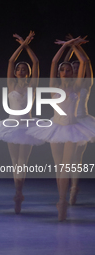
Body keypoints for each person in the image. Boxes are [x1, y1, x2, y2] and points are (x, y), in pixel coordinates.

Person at [27, 37, 95, 221]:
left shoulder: (78, 86)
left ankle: (63, 200)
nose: (65, 72)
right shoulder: (54, 87)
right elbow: (54, 62)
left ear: (74, 73)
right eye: (62, 70)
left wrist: (74, 46)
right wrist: (65, 46)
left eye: (69, 69)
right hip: (56, 128)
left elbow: (85, 62)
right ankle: (62, 198)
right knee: (59, 167)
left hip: (73, 128)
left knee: (66, 166)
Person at [0, 31, 41, 214]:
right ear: (16, 73)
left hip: (28, 125)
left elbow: (37, 63)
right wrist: (21, 46)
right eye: (19, 69)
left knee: (23, 162)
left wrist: (27, 46)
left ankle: (19, 192)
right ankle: (18, 193)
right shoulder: (11, 84)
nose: (21, 71)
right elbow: (10, 62)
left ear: (28, 72)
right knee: (15, 161)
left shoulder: (32, 86)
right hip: (11, 125)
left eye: (24, 69)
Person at [63, 35, 94, 205]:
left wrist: (77, 47)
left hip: (82, 122)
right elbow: (63, 64)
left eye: (77, 66)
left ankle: (74, 187)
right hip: (67, 123)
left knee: (76, 156)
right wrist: (69, 47)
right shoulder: (67, 85)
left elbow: (86, 63)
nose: (74, 69)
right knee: (66, 158)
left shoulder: (85, 84)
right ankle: (67, 187)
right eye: (72, 67)